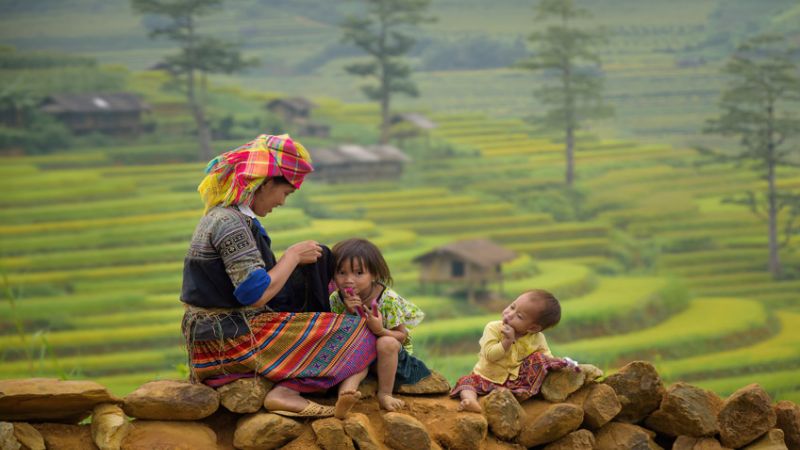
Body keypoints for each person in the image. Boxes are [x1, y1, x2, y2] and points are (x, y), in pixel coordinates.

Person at [180, 134, 376, 419]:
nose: (282, 202)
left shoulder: (231, 217)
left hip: (225, 330)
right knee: (361, 334)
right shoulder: (229, 223)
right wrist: (292, 256)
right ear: (266, 183)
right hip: (228, 339)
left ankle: (301, 365)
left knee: (318, 258)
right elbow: (254, 293)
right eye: (285, 193)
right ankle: (289, 392)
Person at [329, 238, 432, 412]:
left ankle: (385, 394)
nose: (348, 280)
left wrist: (380, 330)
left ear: (375, 275)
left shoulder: (387, 299)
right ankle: (345, 397)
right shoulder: (336, 299)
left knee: (386, 342)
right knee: (357, 351)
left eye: (358, 273)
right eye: (341, 272)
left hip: (392, 357)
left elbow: (401, 336)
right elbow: (340, 333)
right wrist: (348, 313)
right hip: (362, 355)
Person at [449, 289, 577, 413]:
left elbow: (546, 357)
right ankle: (470, 401)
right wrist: (506, 342)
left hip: (514, 383)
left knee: (540, 359)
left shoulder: (537, 338)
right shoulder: (493, 328)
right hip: (485, 378)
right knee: (466, 382)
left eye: (519, 316)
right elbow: (490, 355)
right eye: (512, 307)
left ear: (532, 328)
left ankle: (520, 394)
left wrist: (559, 363)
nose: (509, 314)